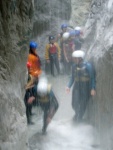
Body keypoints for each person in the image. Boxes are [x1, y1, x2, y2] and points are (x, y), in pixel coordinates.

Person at [66, 50, 96, 121]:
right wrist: (68, 86)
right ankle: (77, 113)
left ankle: (79, 117)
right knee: (74, 103)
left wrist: (92, 88)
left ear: (80, 58)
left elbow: (92, 78)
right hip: (77, 86)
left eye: (75, 58)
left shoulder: (88, 66)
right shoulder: (74, 66)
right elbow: (72, 77)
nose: (73, 59)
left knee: (83, 103)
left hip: (85, 87)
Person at [24, 41, 42, 124]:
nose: (35, 49)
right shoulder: (30, 57)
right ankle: (28, 120)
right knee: (28, 99)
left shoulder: (34, 55)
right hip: (30, 81)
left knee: (33, 95)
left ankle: (30, 113)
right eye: (34, 48)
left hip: (33, 78)